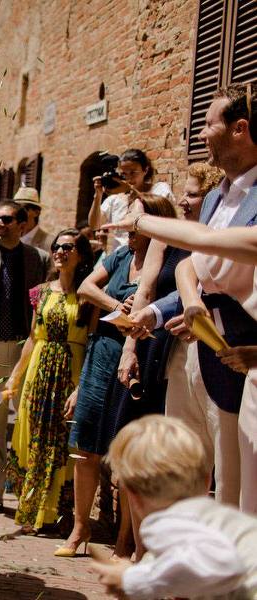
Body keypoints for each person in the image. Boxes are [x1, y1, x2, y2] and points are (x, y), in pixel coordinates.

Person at [113, 85, 257, 512]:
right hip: (197, 349)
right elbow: (191, 264)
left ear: (240, 129)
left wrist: (143, 220)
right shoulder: (215, 197)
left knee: (236, 484)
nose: (201, 134)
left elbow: (207, 241)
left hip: (241, 357)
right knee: (184, 467)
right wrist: (184, 302)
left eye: (209, 124)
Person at [59, 194, 176, 558]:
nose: (130, 231)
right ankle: (80, 529)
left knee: (128, 452)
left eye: (137, 224)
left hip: (139, 358)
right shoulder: (120, 256)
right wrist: (116, 305)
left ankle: (125, 541)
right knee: (85, 445)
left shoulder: (167, 261)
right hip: (103, 352)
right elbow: (86, 287)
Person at [92, 416, 257, 599]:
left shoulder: (169, 522)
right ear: (207, 482)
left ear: (133, 497)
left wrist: (130, 579)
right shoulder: (217, 519)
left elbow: (207, 563)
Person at [3, 229, 95, 532]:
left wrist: (82, 386)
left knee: (63, 440)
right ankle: (32, 509)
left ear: (80, 255)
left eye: (68, 247)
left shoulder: (89, 294)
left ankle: (61, 511)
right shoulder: (41, 292)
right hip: (39, 372)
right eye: (57, 246)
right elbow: (32, 337)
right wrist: (15, 377)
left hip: (72, 371)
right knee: (34, 438)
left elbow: (92, 339)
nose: (60, 252)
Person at [0, 200, 50, 519]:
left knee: (27, 420)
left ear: (22, 224)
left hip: (26, 348)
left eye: (6, 219)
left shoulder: (39, 259)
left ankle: (28, 493)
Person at [89, 148, 174, 253]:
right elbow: (94, 225)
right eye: (124, 174)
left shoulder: (160, 189)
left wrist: (131, 190)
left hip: (149, 254)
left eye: (133, 172)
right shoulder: (115, 199)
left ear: (145, 170)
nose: (129, 178)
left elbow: (161, 217)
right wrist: (98, 195)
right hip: (119, 256)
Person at [14, 187, 52, 252]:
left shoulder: (50, 243)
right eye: (15, 209)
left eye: (23, 209)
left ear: (36, 213)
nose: (18, 214)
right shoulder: (8, 238)